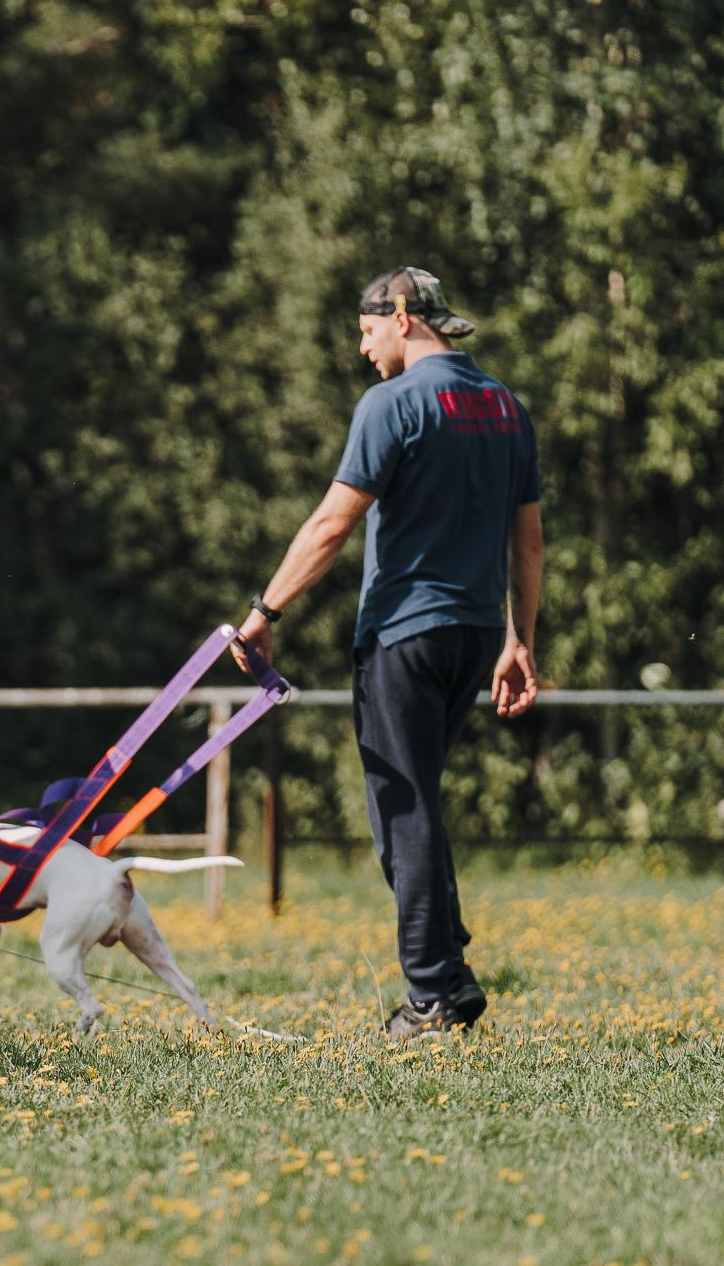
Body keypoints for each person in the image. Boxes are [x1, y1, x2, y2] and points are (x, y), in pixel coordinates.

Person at [234, 267, 543, 1040]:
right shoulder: (507, 406)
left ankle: (433, 994)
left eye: (368, 333)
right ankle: (450, 968)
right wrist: (519, 639)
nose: (366, 351)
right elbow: (529, 537)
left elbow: (333, 524)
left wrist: (265, 609)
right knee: (422, 801)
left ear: (401, 317)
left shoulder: (394, 404)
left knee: (399, 807)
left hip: (404, 634)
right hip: (474, 635)